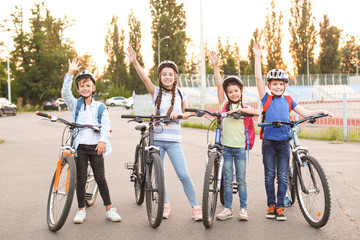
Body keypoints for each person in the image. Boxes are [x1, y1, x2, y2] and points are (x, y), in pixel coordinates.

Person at [253, 43, 333, 221]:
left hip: (283, 143)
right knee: (269, 176)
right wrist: (257, 56)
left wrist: (322, 112)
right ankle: (271, 205)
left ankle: (280, 207)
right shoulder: (266, 98)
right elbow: (258, 78)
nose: (278, 87)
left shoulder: (289, 100)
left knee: (282, 176)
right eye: (275, 84)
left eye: (281, 84)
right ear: (269, 85)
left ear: (285, 85)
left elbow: (304, 112)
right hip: (268, 143)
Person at [126, 46, 202, 221]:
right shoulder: (156, 92)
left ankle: (195, 206)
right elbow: (144, 77)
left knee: (183, 174)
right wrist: (135, 61)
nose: (168, 77)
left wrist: (180, 115)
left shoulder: (182, 93)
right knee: (160, 173)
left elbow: (188, 113)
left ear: (175, 76)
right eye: (164, 74)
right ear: (159, 77)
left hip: (174, 141)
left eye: (171, 74)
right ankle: (165, 204)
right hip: (157, 140)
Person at [62, 59, 121, 224]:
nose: (85, 88)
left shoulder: (100, 107)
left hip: (96, 147)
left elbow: (106, 125)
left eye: (88, 85)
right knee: (80, 179)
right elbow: (65, 94)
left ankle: (109, 209)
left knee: (100, 178)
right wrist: (70, 73)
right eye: (81, 85)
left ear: (93, 88)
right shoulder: (75, 105)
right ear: (78, 89)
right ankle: (81, 210)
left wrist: (102, 141)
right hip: (80, 147)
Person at [209, 51, 260, 221]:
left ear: (241, 91)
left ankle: (243, 209)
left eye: (236, 91)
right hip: (226, 148)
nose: (233, 94)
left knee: (242, 180)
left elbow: (257, 112)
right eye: (230, 92)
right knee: (228, 180)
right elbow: (218, 84)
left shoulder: (245, 108)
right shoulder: (224, 105)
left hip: (239, 149)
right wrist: (216, 65)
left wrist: (239, 109)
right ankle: (229, 209)